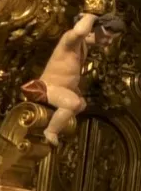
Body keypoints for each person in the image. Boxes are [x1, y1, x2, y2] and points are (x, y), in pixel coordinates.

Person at [21, 13, 127, 146]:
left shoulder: (82, 45)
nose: (109, 42)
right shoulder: (69, 39)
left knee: (81, 104)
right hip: (48, 87)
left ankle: (57, 121)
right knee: (72, 103)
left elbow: (89, 38)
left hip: (61, 89)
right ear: (96, 28)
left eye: (112, 39)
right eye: (108, 37)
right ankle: (50, 131)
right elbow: (80, 31)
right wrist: (92, 17)